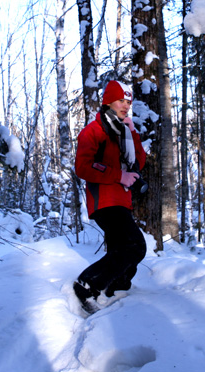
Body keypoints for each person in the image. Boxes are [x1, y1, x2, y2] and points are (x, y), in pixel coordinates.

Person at [73, 80, 147, 313]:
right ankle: (87, 284)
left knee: (120, 250)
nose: (125, 105)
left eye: (128, 101)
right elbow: (83, 167)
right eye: (120, 101)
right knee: (136, 246)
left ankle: (115, 292)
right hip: (104, 200)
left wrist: (133, 133)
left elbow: (139, 163)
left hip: (122, 200)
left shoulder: (123, 132)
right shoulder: (93, 131)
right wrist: (119, 176)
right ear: (108, 101)